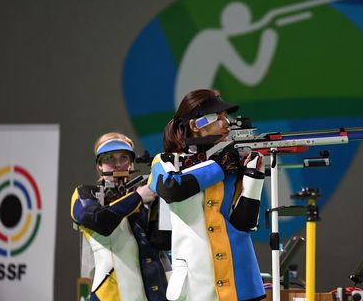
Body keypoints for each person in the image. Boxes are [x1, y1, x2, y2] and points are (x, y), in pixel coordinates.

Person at [148, 89, 266, 301]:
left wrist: (253, 177)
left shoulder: (231, 163)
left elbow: (244, 222)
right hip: (195, 284)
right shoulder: (166, 161)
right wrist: (219, 165)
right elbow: (171, 188)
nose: (226, 123)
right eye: (218, 118)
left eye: (226, 117)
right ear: (195, 125)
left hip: (240, 280)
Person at [70, 132, 170, 301]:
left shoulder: (145, 195)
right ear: (99, 166)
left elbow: (162, 242)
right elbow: (99, 221)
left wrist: (164, 200)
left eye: (123, 158)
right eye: (109, 158)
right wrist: (137, 198)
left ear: (131, 164)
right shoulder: (86, 193)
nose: (117, 164)